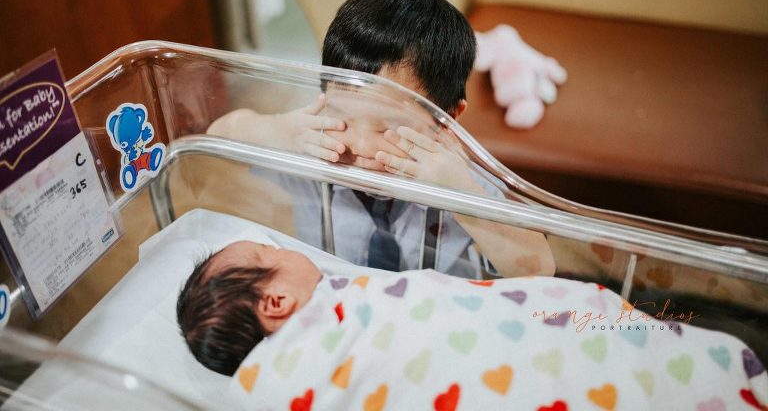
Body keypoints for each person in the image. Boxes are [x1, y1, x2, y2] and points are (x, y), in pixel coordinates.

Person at [208, 0, 554, 278]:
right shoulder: (316, 142)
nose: (358, 146)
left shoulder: (455, 172)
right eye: (341, 114)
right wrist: (274, 131)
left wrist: (461, 195)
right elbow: (216, 137)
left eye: (387, 127)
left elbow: (539, 268)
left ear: (446, 119)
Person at [177, 241, 768, 410]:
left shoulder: (351, 297)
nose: (288, 247)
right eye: (271, 250)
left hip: (513, 334)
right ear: (276, 301)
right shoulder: (289, 370)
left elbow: (437, 307)